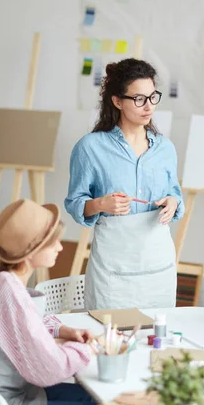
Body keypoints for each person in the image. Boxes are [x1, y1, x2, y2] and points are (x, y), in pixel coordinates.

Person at [0, 199, 127, 405]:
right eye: (53, 242)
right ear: (31, 252)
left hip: (0, 398)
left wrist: (64, 331)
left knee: (96, 399)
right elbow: (50, 370)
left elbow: (20, 325)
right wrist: (87, 347)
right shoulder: (9, 294)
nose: (59, 247)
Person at [65, 58, 184, 311]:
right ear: (117, 101)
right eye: (139, 99)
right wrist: (100, 204)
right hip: (113, 270)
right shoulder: (90, 148)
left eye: (153, 97)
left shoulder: (165, 148)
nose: (148, 106)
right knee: (108, 338)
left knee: (156, 339)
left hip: (158, 265)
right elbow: (75, 203)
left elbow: (175, 194)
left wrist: (173, 202)